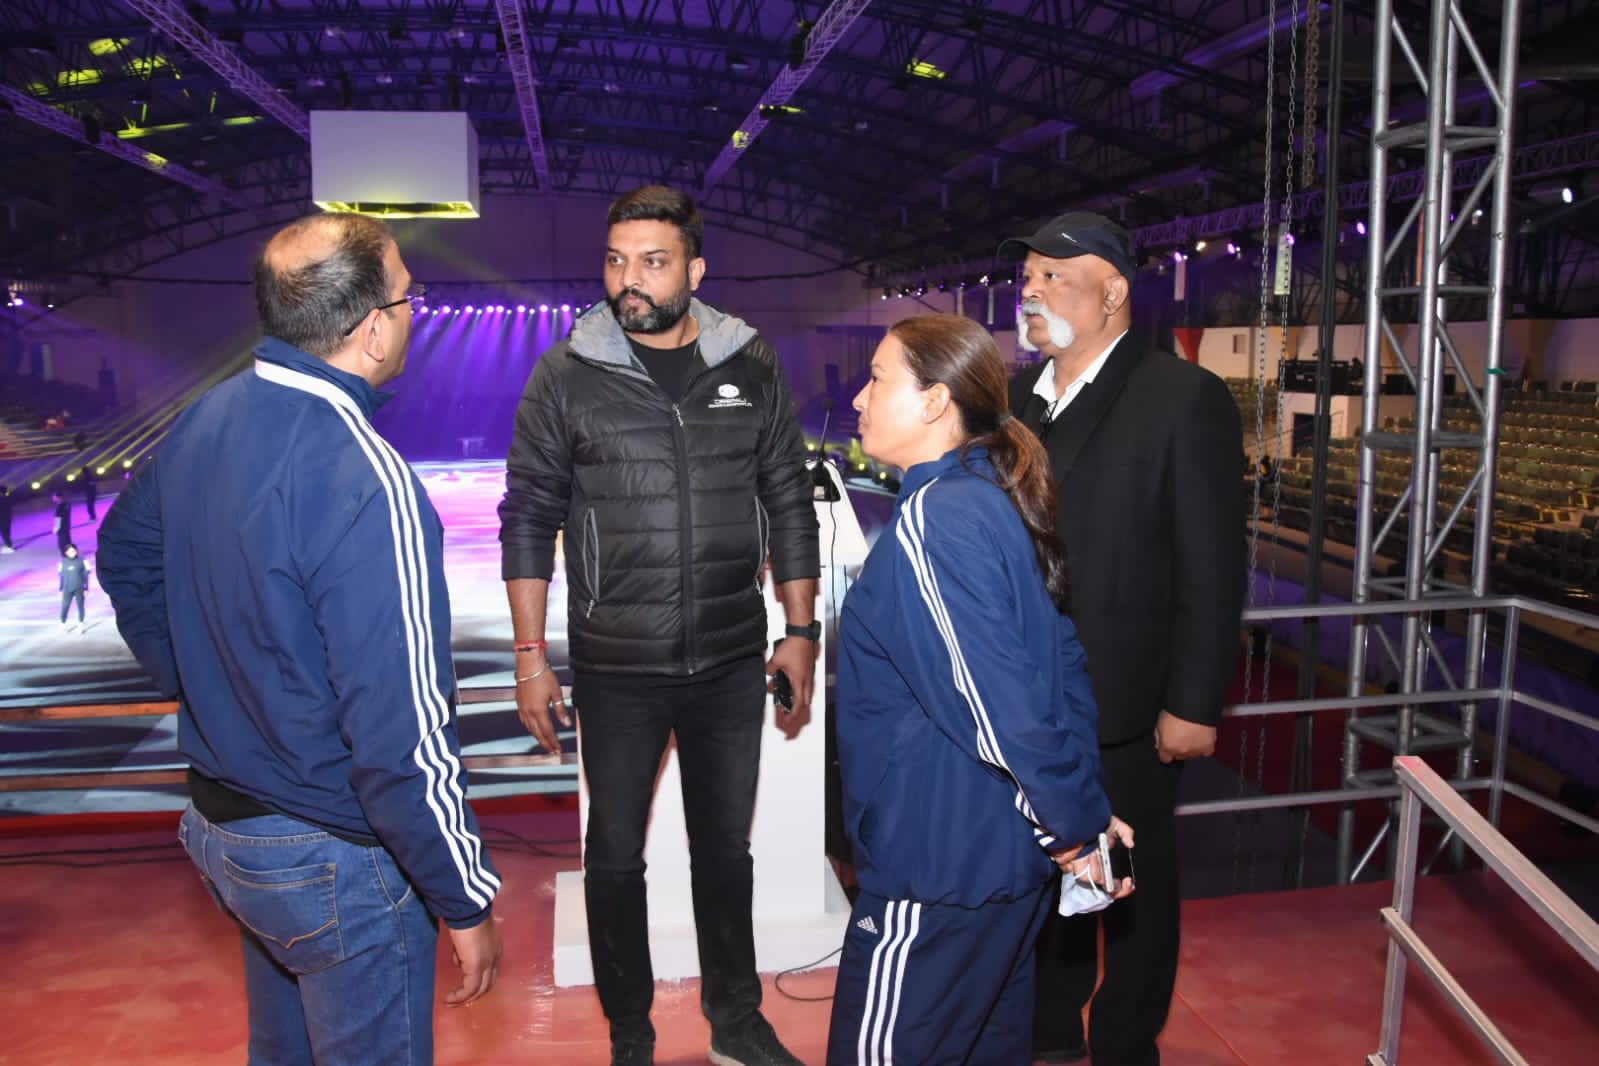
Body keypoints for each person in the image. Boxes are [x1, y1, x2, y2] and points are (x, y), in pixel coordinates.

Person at [97, 213, 502, 1066]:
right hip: (331, 852)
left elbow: (126, 556)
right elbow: (402, 736)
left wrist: (201, 683)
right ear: (372, 329)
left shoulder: (204, 420)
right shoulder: (369, 481)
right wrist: (464, 897)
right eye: (408, 295)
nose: (413, 309)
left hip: (224, 827)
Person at [499, 184, 819, 1066]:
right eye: (615, 261)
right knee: (613, 858)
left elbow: (788, 499)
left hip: (728, 656)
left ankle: (736, 1023)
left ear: (695, 270)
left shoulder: (749, 364)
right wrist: (530, 657)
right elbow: (527, 515)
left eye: (651, 261)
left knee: (725, 852)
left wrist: (800, 630)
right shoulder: (565, 375)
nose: (628, 280)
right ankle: (630, 1035)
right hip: (616, 666)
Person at [826, 314, 1133, 1065]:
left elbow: (992, 703)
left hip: (938, 872)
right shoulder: (991, 499)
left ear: (935, 401)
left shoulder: (935, 519)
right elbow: (1061, 672)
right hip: (998, 867)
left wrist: (1075, 826)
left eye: (878, 379)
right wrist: (1083, 811)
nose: (860, 398)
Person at [1000, 212, 1247, 1066]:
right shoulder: (1016, 400)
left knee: (1131, 887)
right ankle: (1050, 1028)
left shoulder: (1180, 397)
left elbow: (1211, 564)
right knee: (1048, 873)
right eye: (1027, 279)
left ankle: (1124, 1040)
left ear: (1111, 294)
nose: (1031, 293)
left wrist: (1193, 703)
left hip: (1129, 708)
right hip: (1028, 703)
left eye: (1052, 278)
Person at [59, 543, 89, 630]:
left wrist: (86, 588)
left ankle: (80, 623)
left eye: (73, 551)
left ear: (76, 551)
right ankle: (63, 623)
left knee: (80, 606)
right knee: (65, 606)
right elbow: (61, 577)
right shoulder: (62, 562)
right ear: (66, 552)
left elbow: (86, 576)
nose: (72, 553)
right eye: (69, 551)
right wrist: (60, 589)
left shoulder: (82, 561)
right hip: (67, 589)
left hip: (79, 588)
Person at [0, 483, 13, 553]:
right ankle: (8, 545)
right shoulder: (7, 498)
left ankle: (9, 547)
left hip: (3, 519)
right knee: (6, 532)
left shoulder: (1, 500)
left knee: (4, 533)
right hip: (7, 518)